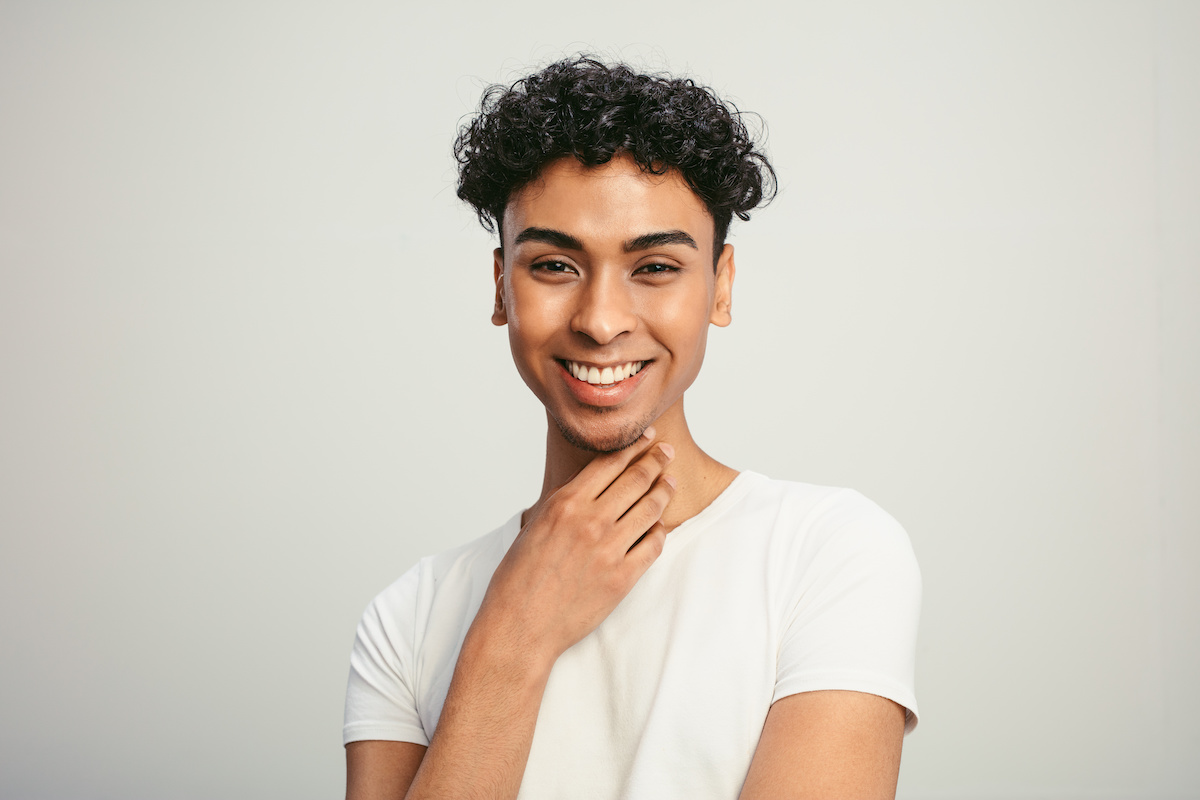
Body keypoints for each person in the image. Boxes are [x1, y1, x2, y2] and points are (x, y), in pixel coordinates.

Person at [343, 56, 921, 800]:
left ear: (722, 286)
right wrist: (513, 636)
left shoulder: (829, 553)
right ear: (500, 287)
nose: (601, 321)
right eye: (554, 264)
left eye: (654, 267)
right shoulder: (408, 617)